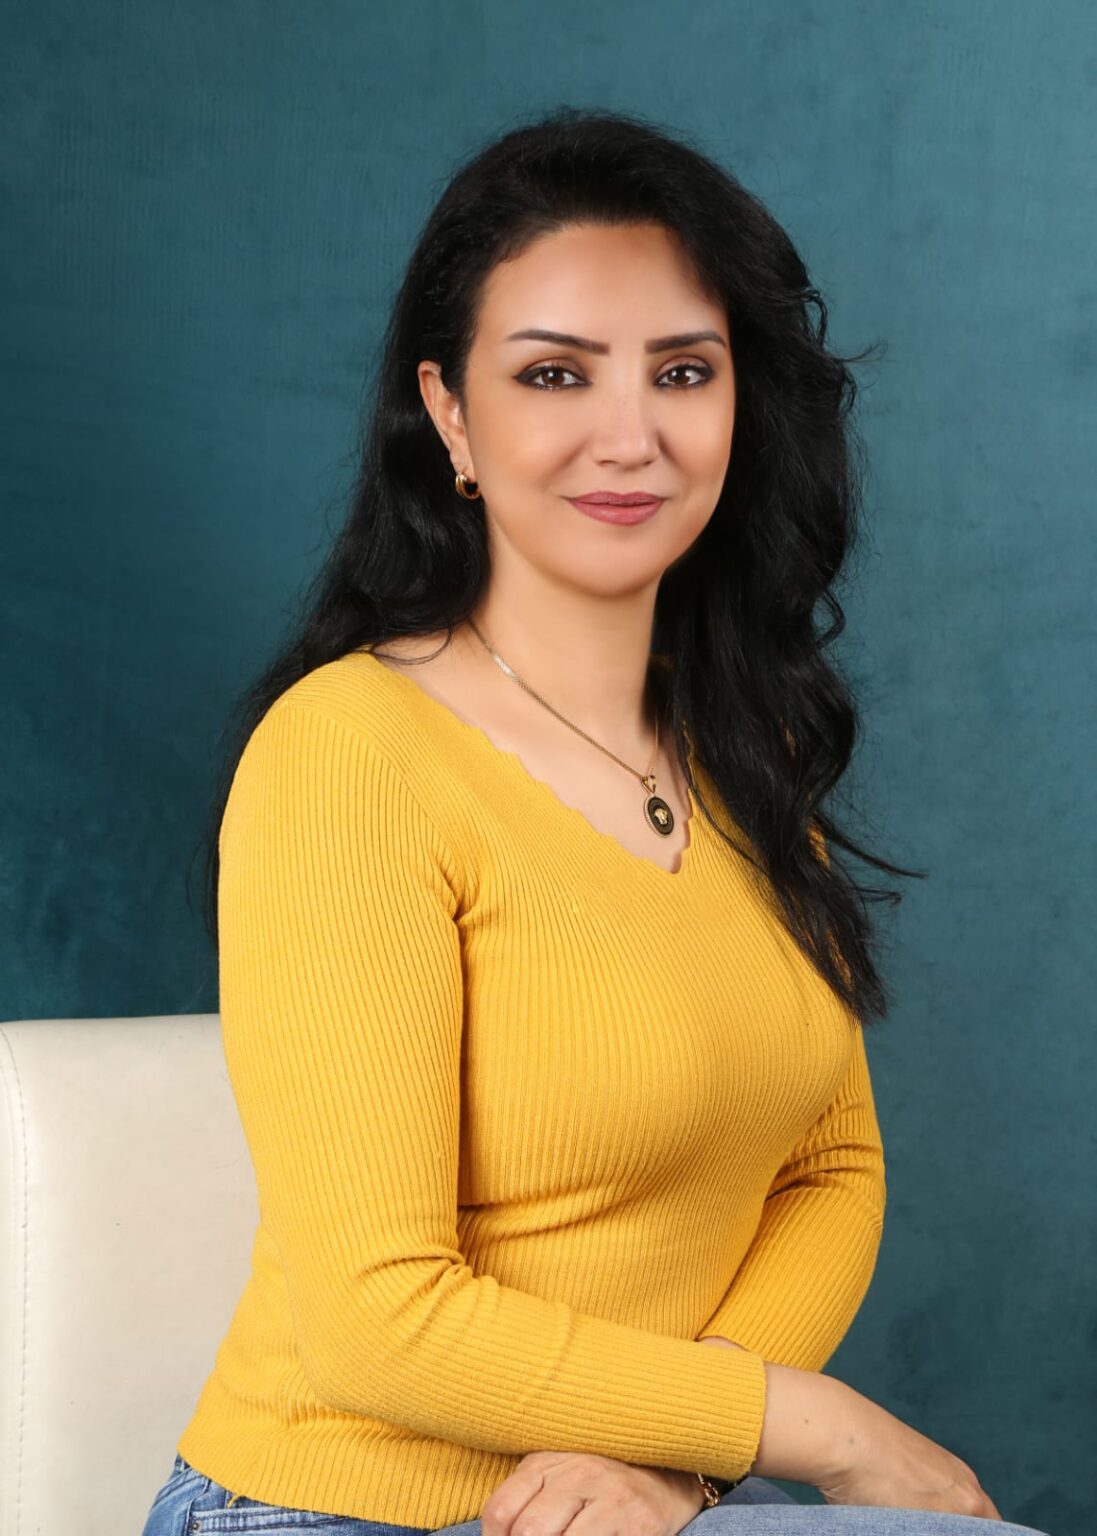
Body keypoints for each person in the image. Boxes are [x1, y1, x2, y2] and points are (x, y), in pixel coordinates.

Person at [142, 108, 1051, 1536]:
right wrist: (810, 1427)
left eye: (681, 372)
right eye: (554, 374)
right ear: (450, 414)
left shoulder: (740, 747)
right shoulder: (347, 756)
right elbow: (375, 1318)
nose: (630, 437)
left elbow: (829, 1170)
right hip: (349, 1509)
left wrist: (673, 1461)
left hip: (638, 1504)